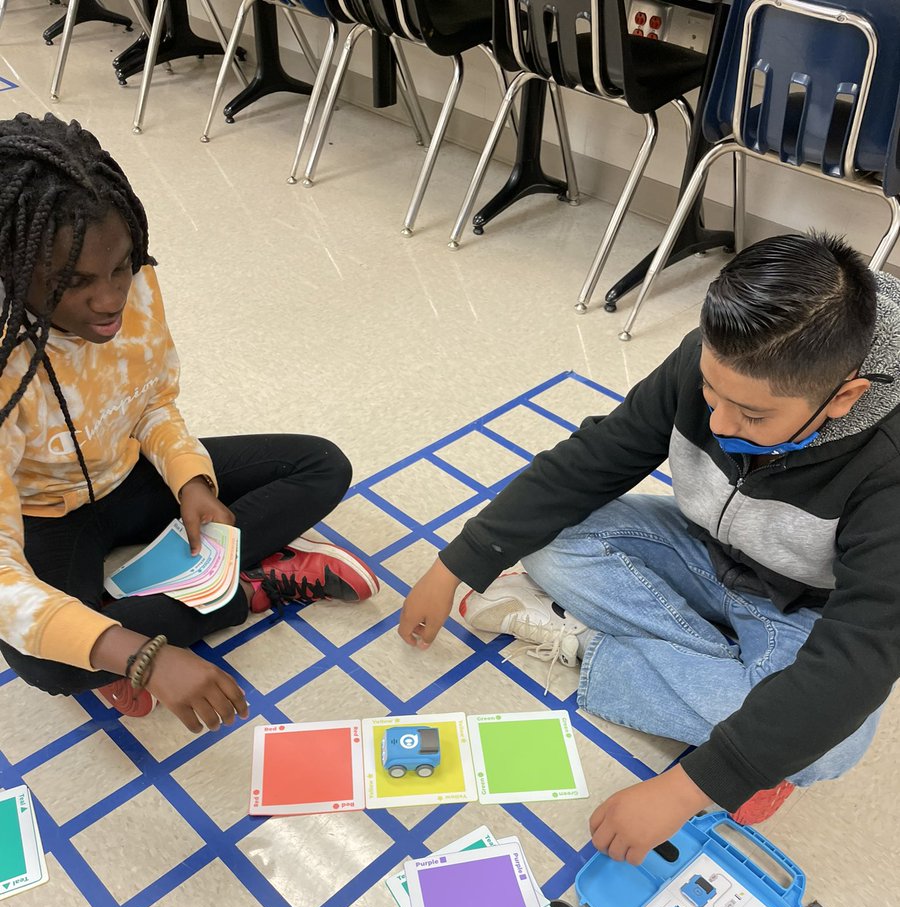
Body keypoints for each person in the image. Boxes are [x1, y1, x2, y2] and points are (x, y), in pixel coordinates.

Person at [400, 232, 900, 863]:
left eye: (750, 417)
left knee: (837, 744)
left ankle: (589, 647)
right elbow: (593, 461)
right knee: (552, 539)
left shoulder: (891, 465)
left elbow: (862, 649)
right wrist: (458, 563)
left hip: (802, 610)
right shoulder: (716, 357)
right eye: (710, 395)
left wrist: (691, 787)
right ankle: (743, 694)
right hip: (705, 547)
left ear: (843, 398)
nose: (717, 424)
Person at [0, 112, 378, 732]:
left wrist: (192, 484)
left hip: (128, 475)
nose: (110, 299)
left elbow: (151, 402)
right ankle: (246, 588)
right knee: (47, 668)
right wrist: (146, 657)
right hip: (49, 516)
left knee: (320, 465)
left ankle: (169, 596)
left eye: (120, 268)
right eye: (75, 283)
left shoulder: (133, 281)